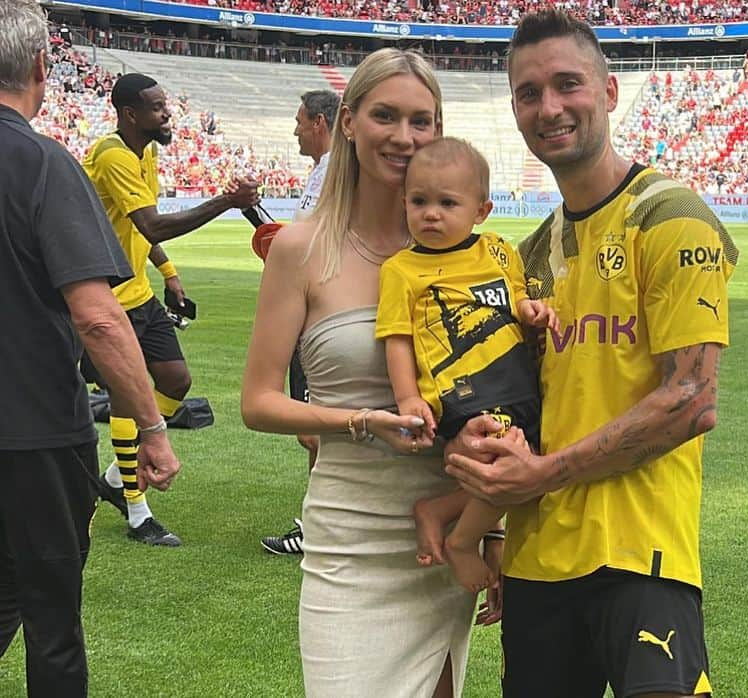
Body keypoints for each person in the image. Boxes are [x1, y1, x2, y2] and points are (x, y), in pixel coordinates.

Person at [445, 10, 738, 698]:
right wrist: (475, 499)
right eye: (528, 93)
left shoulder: (669, 217)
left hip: (642, 557)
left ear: (608, 92)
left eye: (567, 84)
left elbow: (690, 402)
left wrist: (539, 476)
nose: (548, 107)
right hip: (536, 563)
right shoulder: (526, 260)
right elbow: (521, 410)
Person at [241, 49, 494, 698]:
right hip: (349, 532)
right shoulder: (301, 249)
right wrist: (360, 422)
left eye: (422, 121)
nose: (405, 138)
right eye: (386, 116)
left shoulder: (469, 253)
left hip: (440, 535)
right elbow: (259, 402)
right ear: (348, 122)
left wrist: (488, 530)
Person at [0, 1, 181, 694]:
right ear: (43, 68)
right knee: (51, 621)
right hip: (34, 433)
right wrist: (154, 428)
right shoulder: (45, 164)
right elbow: (98, 318)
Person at [81, 72, 259, 546]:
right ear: (130, 114)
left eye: (166, 105)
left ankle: (115, 480)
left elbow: (137, 231)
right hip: (101, 297)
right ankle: (137, 511)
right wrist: (227, 201)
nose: (167, 113)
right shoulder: (114, 155)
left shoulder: (147, 152)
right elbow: (153, 225)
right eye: (157, 107)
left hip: (135, 293)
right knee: (126, 394)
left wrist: (170, 273)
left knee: (176, 380)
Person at [375, 137, 555, 592]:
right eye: (419, 201)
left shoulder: (496, 250)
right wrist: (408, 398)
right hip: (466, 390)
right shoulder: (401, 270)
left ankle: (438, 510)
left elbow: (515, 301)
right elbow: (396, 338)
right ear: (404, 202)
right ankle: (463, 540)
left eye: (447, 203)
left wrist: (531, 310)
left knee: (531, 465)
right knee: (512, 464)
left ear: (481, 211)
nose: (430, 213)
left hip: (516, 380)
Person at [260, 88, 340, 556]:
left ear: (320, 123)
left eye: (299, 121)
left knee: (314, 426)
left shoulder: (335, 174)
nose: (295, 130)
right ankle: (319, 523)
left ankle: (320, 529)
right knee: (313, 426)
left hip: (315, 315)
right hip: (308, 310)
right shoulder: (323, 172)